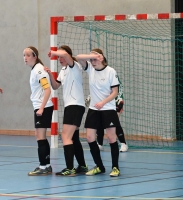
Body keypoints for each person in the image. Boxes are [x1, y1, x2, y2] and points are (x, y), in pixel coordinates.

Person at [44, 45, 88, 176]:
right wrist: (50, 75)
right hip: (70, 106)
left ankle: (70, 168)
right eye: (57, 57)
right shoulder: (63, 71)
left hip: (75, 105)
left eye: (60, 57)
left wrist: (53, 51)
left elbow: (66, 55)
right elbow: (55, 86)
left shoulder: (74, 66)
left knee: (65, 136)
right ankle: (82, 165)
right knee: (74, 138)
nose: (59, 59)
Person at [76, 48, 121, 177]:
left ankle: (115, 168)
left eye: (94, 59)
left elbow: (115, 93)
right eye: (91, 59)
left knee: (112, 138)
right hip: (94, 109)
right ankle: (99, 166)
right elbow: (79, 57)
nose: (92, 62)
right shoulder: (90, 68)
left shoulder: (110, 71)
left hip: (108, 109)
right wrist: (92, 55)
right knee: (90, 137)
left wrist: (103, 102)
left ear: (101, 58)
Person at [23, 46, 54, 176]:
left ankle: (43, 166)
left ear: (35, 56)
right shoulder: (34, 70)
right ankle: (46, 165)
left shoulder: (39, 71)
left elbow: (47, 90)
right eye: (24, 55)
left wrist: (41, 108)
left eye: (28, 55)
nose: (25, 58)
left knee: (40, 136)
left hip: (44, 107)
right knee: (39, 136)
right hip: (40, 106)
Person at [96, 75, 128, 152]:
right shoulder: (96, 77)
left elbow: (118, 90)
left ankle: (123, 144)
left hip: (115, 103)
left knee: (115, 123)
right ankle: (100, 144)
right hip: (103, 103)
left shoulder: (112, 75)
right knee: (99, 122)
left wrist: (120, 100)